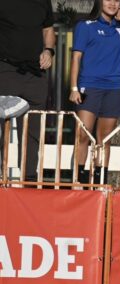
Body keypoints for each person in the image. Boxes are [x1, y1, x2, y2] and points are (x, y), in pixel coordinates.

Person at [69, 0, 120, 185]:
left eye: (116, 0)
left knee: (105, 139)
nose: (112, 3)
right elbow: (76, 57)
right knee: (83, 135)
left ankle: (99, 182)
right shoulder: (85, 26)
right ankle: (79, 181)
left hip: (114, 89)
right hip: (89, 87)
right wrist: (73, 88)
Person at [0, 0, 55, 182]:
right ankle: (2, 179)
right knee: (2, 128)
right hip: (5, 68)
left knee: (33, 130)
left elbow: (48, 30)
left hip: (35, 74)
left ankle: (29, 180)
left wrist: (48, 51)